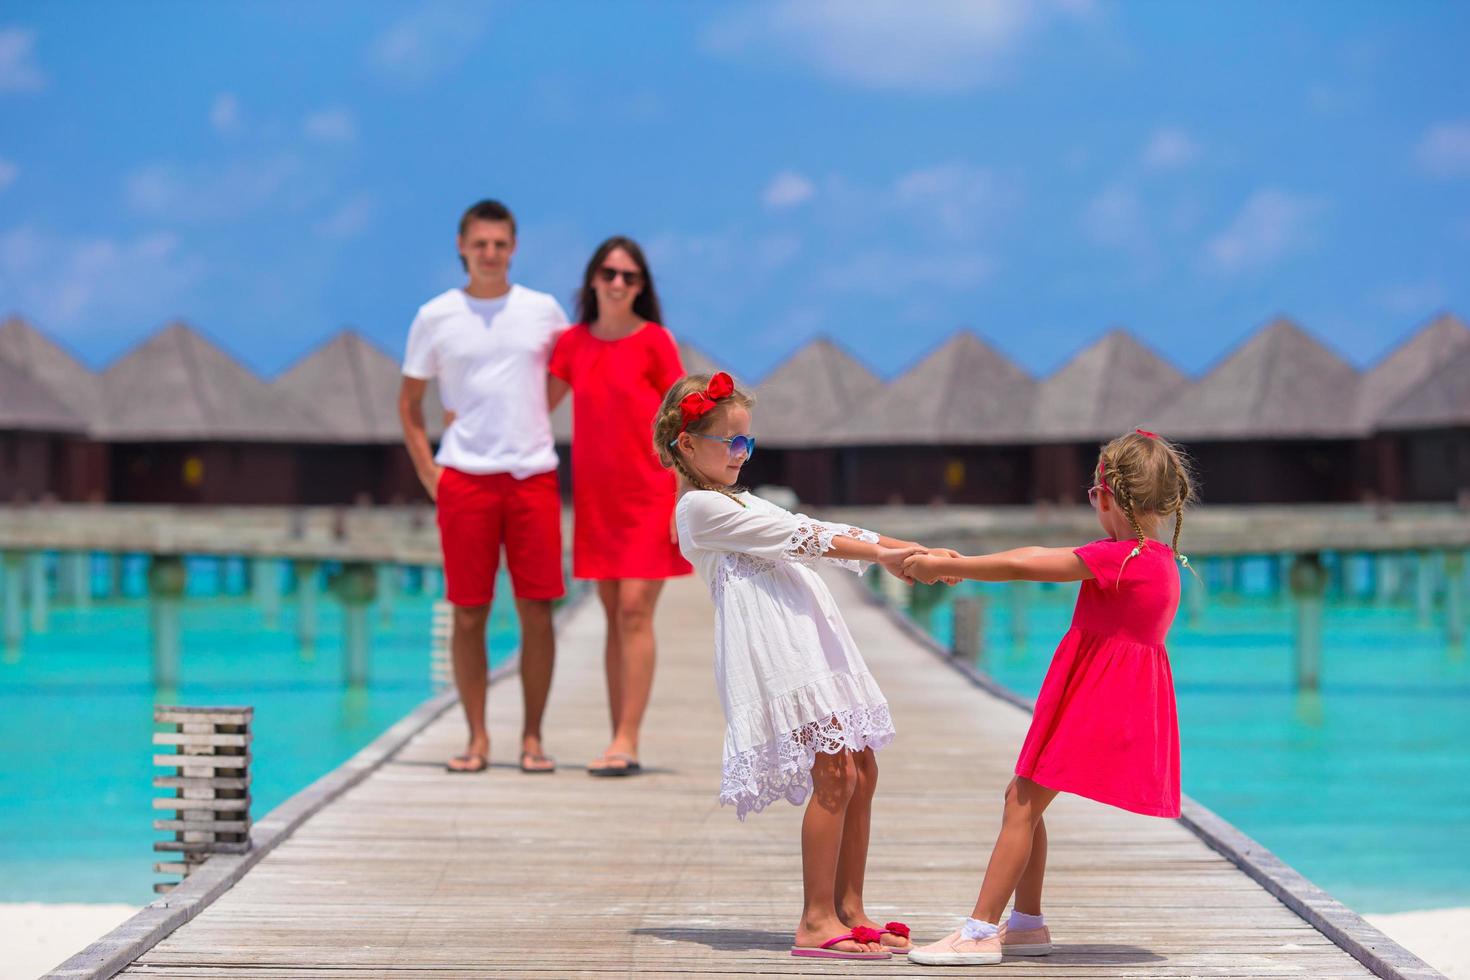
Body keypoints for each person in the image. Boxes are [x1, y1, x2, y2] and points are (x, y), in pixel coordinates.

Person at [660, 371, 957, 960]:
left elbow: (832, 527)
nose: (742, 453)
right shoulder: (697, 509)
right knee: (832, 772)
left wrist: (912, 551)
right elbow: (803, 533)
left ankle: (851, 906)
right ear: (688, 445)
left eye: (747, 442)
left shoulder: (739, 498)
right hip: (777, 651)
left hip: (813, 640)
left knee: (861, 767)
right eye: (731, 441)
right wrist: (887, 556)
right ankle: (816, 920)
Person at [902, 429, 1197, 966]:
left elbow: (1026, 562)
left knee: (1021, 803)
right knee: (1025, 800)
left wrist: (953, 563)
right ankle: (1027, 924)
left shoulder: (1123, 556)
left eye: (1093, 496)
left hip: (1098, 697)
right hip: (1109, 694)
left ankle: (979, 932)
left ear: (1109, 497)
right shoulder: (1155, 558)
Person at [398, 199, 569, 775]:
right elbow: (409, 401)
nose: (490, 253)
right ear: (462, 247)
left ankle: (532, 738)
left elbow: (567, 372)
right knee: (468, 612)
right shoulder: (436, 315)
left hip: (532, 476)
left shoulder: (542, 310)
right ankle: (476, 737)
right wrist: (429, 471)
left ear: (513, 248)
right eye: (480, 244)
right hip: (464, 479)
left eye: (500, 244)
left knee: (537, 609)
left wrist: (534, 416)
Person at [547, 237, 689, 777]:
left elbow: (683, 419)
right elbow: (535, 409)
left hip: (650, 492)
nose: (618, 283)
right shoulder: (572, 345)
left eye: (630, 277)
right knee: (611, 614)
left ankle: (627, 738)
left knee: (634, 609)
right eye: (609, 272)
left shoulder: (655, 341)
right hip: (596, 500)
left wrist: (684, 493)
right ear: (592, 278)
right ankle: (616, 738)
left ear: (641, 287)